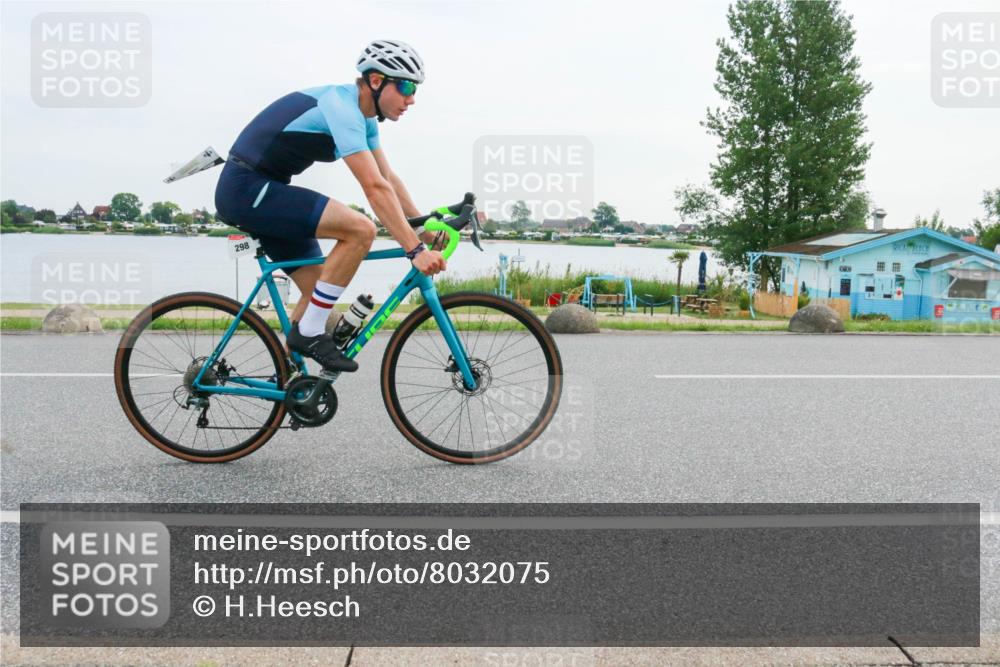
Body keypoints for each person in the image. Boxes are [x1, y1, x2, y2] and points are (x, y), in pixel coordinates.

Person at [215, 40, 445, 373]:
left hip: (266, 188)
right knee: (360, 228)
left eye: (416, 89)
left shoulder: (365, 118)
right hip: (247, 188)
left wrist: (421, 225)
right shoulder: (341, 107)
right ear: (376, 81)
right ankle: (308, 335)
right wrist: (414, 249)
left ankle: (290, 381)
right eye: (406, 86)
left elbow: (386, 176)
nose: (411, 98)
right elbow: (374, 188)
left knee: (321, 287)